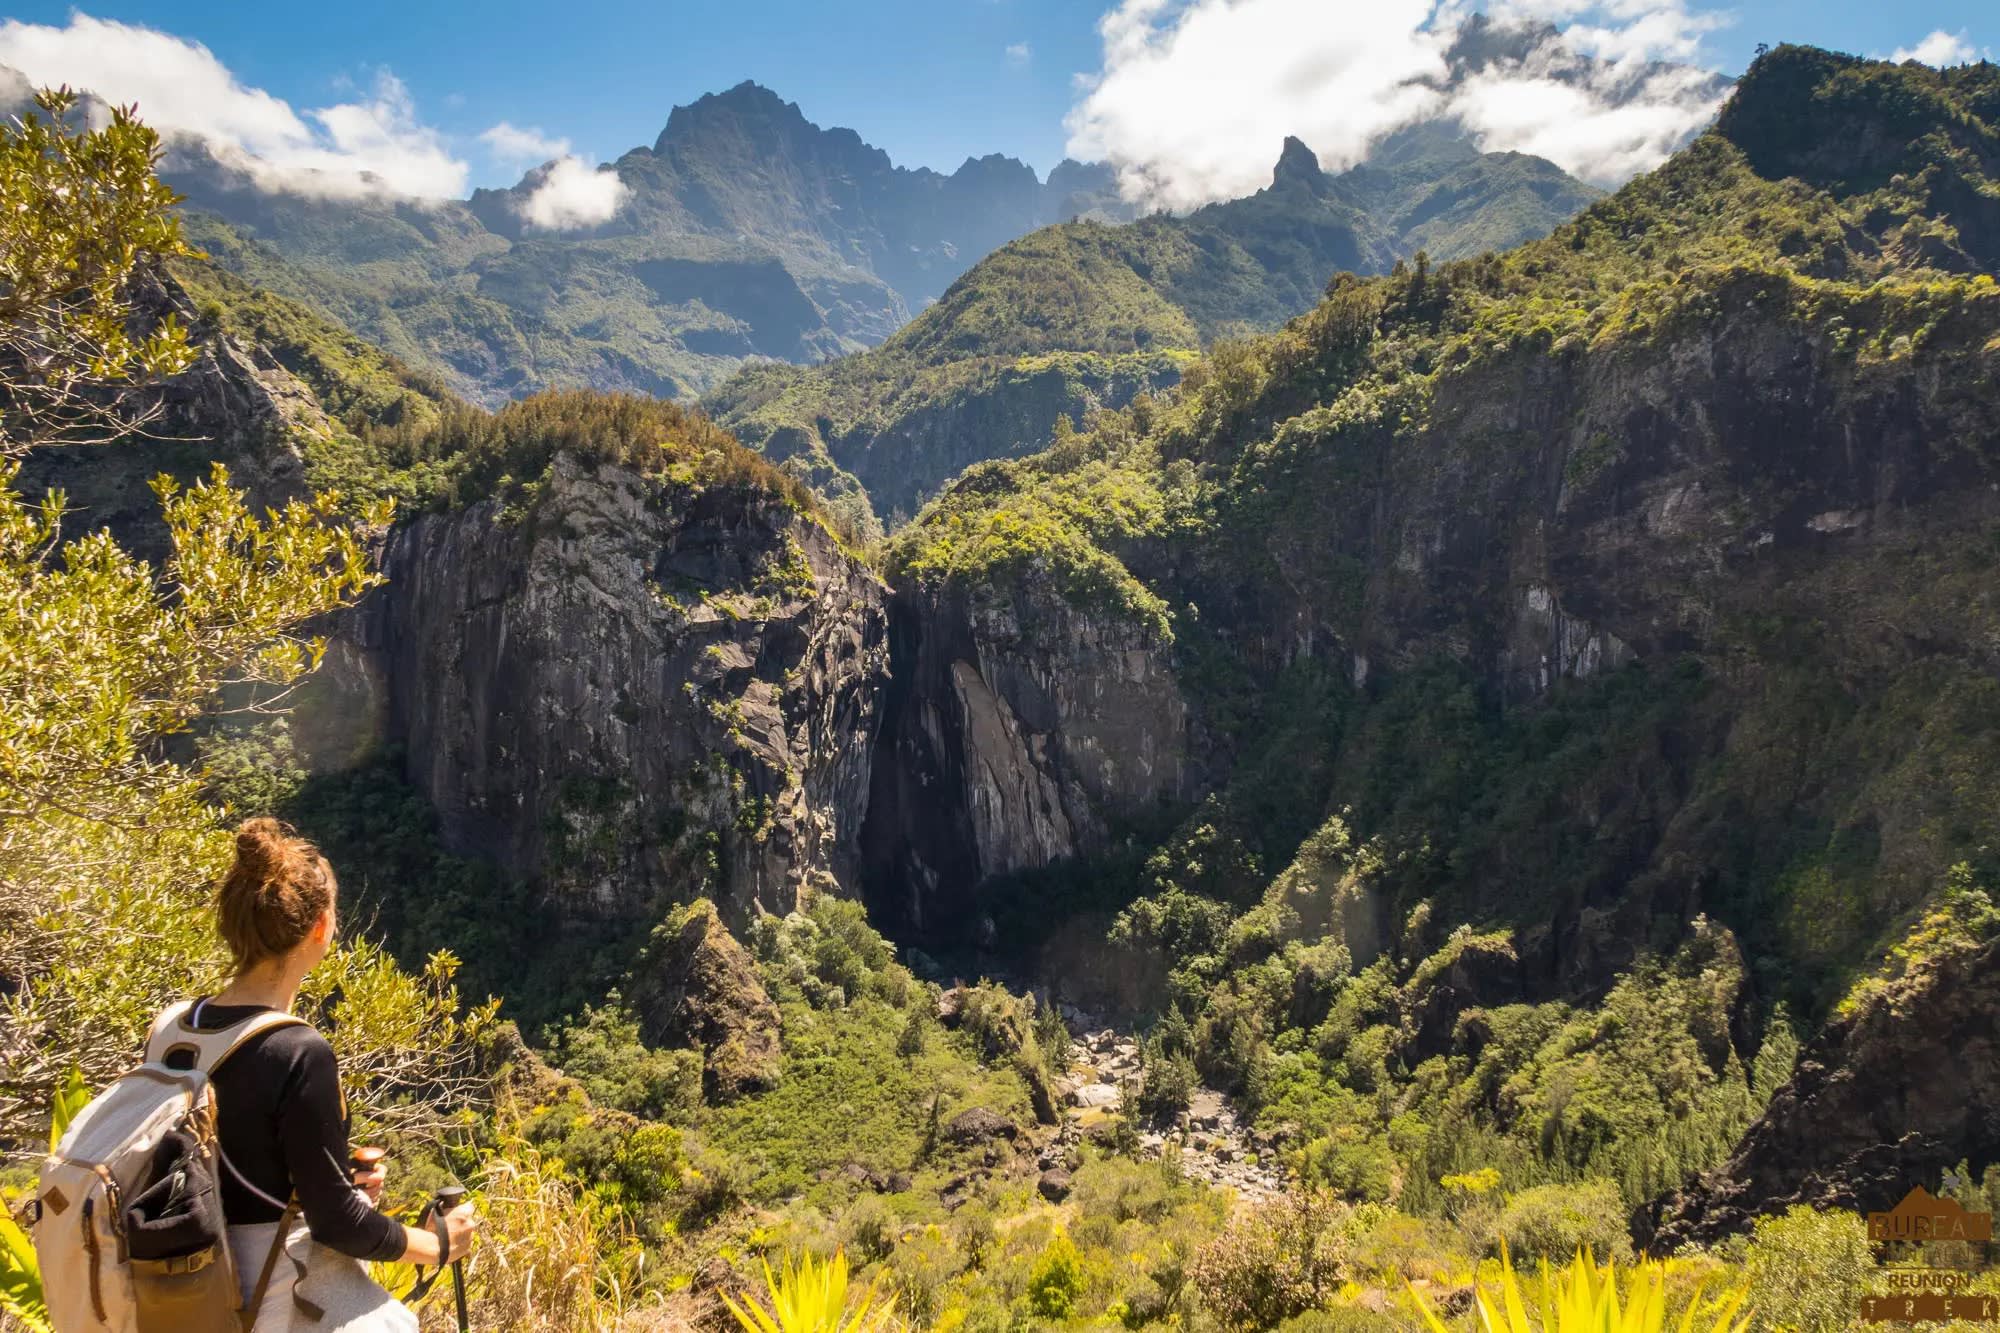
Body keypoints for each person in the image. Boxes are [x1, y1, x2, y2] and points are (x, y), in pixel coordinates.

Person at [148, 817, 478, 1330]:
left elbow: (225, 1164)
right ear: (320, 928)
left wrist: (327, 1179)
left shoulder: (171, 1028)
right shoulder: (298, 1051)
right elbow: (338, 1225)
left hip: (175, 1287)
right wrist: (438, 1245)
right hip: (258, 1298)